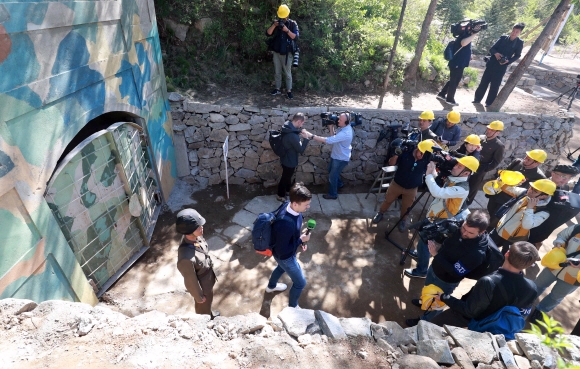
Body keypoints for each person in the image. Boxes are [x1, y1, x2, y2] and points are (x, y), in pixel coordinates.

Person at [405, 210, 491, 327]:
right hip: (435, 268)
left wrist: (436, 255)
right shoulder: (460, 226)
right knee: (428, 290)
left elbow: (454, 272)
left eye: (470, 233)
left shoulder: (477, 254)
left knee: (436, 304)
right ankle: (424, 302)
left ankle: (424, 322)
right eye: (464, 228)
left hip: (446, 281)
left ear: (482, 232)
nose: (464, 233)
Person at [430, 241, 538, 329]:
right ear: (528, 265)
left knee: (431, 326)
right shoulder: (532, 288)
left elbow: (469, 311)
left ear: (507, 253)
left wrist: (445, 297)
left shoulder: (489, 282)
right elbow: (522, 313)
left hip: (470, 321)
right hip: (494, 327)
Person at [404, 156, 480, 278]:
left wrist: (428, 174)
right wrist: (433, 170)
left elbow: (437, 192)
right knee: (422, 237)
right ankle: (420, 254)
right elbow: (439, 186)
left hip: (440, 220)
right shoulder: (455, 179)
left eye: (459, 166)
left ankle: (422, 271)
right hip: (435, 216)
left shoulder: (461, 188)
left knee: (426, 241)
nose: (454, 167)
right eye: (456, 164)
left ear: (466, 173)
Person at [266, 182, 312, 308]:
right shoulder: (285, 223)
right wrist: (300, 240)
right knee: (300, 283)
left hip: (282, 256)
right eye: (306, 205)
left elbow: (290, 235)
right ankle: (293, 308)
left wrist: (301, 240)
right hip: (285, 256)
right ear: (295, 203)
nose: (308, 207)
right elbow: (282, 250)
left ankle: (271, 287)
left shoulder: (289, 205)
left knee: (281, 268)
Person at [371, 140, 435, 230]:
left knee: (407, 207)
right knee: (388, 200)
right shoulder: (405, 153)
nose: (422, 156)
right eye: (421, 153)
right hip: (397, 184)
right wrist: (396, 154)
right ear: (417, 148)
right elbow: (391, 163)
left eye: (425, 154)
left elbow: (432, 171)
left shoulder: (427, 157)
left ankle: (403, 220)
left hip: (412, 188)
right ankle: (380, 213)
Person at [484, 178, 555, 254]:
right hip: (499, 229)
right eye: (531, 187)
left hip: (512, 239)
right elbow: (507, 188)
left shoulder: (543, 212)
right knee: (485, 247)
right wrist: (509, 182)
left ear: (544, 196)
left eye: (535, 191)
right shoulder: (524, 193)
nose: (530, 191)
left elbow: (527, 225)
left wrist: (529, 208)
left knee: (503, 258)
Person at [529, 224, 580, 323]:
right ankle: (526, 301)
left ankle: (541, 310)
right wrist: (559, 244)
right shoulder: (577, 228)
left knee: (556, 296)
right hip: (554, 265)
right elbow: (562, 236)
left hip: (573, 278)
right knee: (538, 285)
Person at [486, 150, 547, 231]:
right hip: (498, 193)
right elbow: (504, 173)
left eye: (529, 160)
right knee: (490, 210)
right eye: (526, 157)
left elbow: (530, 193)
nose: (525, 160)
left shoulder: (539, 177)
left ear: (537, 163)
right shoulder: (517, 162)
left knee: (496, 219)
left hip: (509, 201)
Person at [175, 209, 219, 318]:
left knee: (209, 302)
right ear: (189, 231)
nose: (202, 227)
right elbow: (190, 280)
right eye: (198, 227)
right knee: (203, 310)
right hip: (202, 287)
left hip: (207, 279)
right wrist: (199, 297)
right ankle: (206, 323)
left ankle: (210, 314)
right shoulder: (186, 258)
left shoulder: (196, 237)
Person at [302, 113, 353, 200]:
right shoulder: (344, 127)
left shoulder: (346, 133)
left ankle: (333, 194)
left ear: (346, 122)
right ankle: (339, 184)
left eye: (340, 120)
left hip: (340, 158)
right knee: (330, 170)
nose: (338, 121)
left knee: (332, 176)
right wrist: (331, 127)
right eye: (338, 118)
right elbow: (334, 137)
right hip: (337, 155)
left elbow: (328, 141)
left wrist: (311, 136)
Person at [473, 23, 525, 107]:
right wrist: (496, 54)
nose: (514, 33)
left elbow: (517, 55)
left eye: (517, 32)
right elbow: (492, 48)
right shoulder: (503, 38)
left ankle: (489, 103)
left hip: (502, 66)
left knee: (495, 85)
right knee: (483, 83)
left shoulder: (519, 42)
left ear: (520, 33)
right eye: (513, 31)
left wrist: (508, 61)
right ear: (511, 30)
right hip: (491, 63)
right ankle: (477, 99)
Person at [528, 165, 580, 248]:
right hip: (527, 223)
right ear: (553, 173)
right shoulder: (539, 184)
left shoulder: (564, 188)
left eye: (569, 178)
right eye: (563, 176)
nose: (565, 180)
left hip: (544, 228)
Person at [436, 23, 483, 106]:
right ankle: (450, 99)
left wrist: (468, 55)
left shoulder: (465, 35)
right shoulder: (464, 35)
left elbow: (464, 47)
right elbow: (464, 43)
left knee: (454, 80)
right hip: (457, 63)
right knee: (455, 81)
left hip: (458, 62)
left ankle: (442, 94)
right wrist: (475, 34)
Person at [466, 121, 505, 206]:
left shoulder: (499, 145)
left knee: (472, 187)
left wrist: (483, 169)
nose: (488, 131)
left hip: (480, 170)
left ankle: (466, 204)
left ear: (497, 132)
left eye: (491, 130)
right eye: (488, 129)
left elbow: (495, 162)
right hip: (468, 165)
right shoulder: (480, 138)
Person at [266, 4, 299, 99]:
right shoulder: (276, 23)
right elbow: (268, 33)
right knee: (277, 72)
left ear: (287, 15)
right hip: (276, 52)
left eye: (284, 18)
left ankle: (289, 90)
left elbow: (295, 37)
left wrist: (286, 30)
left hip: (287, 53)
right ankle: (277, 88)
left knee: (288, 73)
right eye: (281, 17)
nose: (282, 19)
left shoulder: (293, 24)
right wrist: (274, 25)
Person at [277, 113, 310, 202]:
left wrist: (299, 132)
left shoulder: (287, 127)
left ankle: (288, 191)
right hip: (290, 161)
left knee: (288, 177)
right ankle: (280, 195)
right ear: (299, 121)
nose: (302, 125)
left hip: (285, 158)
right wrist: (306, 139)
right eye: (302, 123)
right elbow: (301, 150)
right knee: (285, 177)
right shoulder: (292, 135)